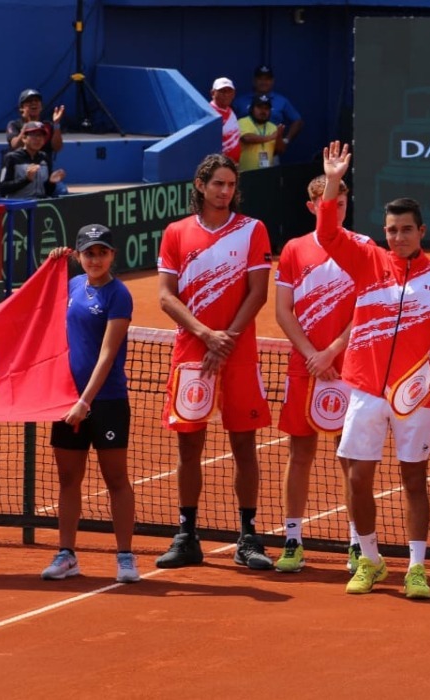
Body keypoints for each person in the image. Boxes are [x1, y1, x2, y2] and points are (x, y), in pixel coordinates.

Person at [315, 141, 430, 598]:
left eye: (405, 230)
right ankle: (371, 558)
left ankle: (417, 567)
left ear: (421, 232)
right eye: (391, 230)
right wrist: (335, 182)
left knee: (413, 480)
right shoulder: (367, 262)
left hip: (414, 395)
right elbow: (326, 235)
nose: (397, 237)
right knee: (358, 477)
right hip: (364, 390)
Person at [155, 153, 273, 570]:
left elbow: (257, 292)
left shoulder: (253, 230)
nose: (225, 191)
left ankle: (248, 536)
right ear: (200, 186)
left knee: (244, 445)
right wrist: (205, 335)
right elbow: (166, 295)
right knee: (189, 447)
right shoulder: (175, 233)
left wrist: (227, 340)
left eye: (230, 185)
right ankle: (187, 535)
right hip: (192, 353)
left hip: (238, 353)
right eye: (218, 184)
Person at [272, 174, 370, 574]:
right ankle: (293, 540)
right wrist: (313, 354)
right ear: (313, 206)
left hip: (349, 368)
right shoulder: (294, 249)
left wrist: (332, 351)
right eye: (331, 202)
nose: (338, 208)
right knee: (300, 454)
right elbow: (283, 310)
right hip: (305, 367)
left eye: (343, 202)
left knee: (349, 458)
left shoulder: (363, 248)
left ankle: (356, 543)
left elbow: (367, 307)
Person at [41, 225, 139, 583]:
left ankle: (126, 556)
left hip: (106, 401)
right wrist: (50, 266)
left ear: (112, 255)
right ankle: (67, 555)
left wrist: (86, 401)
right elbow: (35, 306)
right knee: (68, 478)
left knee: (115, 478)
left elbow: (108, 354)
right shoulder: (70, 288)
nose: (95, 259)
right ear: (79, 256)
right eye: (88, 253)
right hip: (67, 400)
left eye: (101, 252)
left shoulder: (119, 295)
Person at [233, 65, 302, 163]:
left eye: (267, 79)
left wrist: (286, 140)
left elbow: (297, 121)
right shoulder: (240, 101)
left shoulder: (281, 101)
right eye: (260, 79)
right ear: (254, 80)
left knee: (271, 176)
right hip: (247, 152)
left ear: (272, 81)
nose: (263, 82)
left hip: (271, 152)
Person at [6, 88, 68, 195]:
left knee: (62, 191)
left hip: (44, 176)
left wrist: (56, 124)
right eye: (29, 101)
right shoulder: (14, 125)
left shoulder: (48, 126)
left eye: (37, 101)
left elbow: (57, 147)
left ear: (41, 107)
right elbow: (15, 146)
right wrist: (27, 125)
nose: (33, 103)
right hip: (21, 175)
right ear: (21, 108)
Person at [0, 121, 66, 199]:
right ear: (24, 138)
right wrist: (26, 180)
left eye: (41, 136)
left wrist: (51, 182)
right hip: (19, 204)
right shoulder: (12, 158)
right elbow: (2, 188)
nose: (38, 139)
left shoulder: (44, 158)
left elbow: (48, 191)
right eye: (34, 136)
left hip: (42, 203)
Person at [238, 94, 284, 172]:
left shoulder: (273, 127)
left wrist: (279, 137)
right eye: (259, 107)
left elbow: (280, 150)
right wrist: (271, 137)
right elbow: (246, 138)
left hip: (266, 172)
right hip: (246, 173)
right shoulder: (242, 122)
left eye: (266, 108)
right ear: (252, 109)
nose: (263, 111)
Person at [209, 78, 241, 163]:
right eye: (222, 91)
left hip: (234, 166)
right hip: (219, 167)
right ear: (213, 93)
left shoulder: (231, 111)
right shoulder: (209, 113)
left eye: (229, 91)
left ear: (233, 94)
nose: (226, 95)